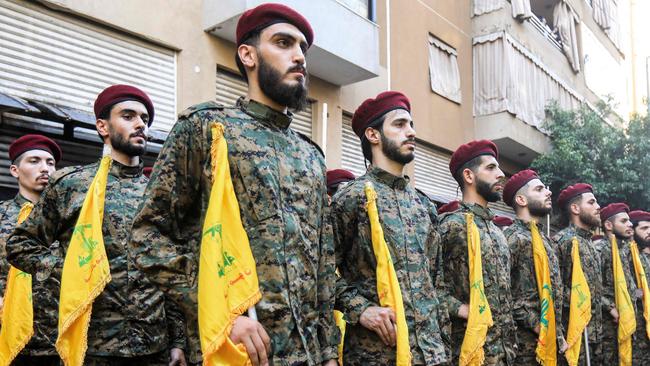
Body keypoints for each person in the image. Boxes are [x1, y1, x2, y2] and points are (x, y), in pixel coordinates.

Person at [129, 4, 339, 365]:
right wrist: (221, 310)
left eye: (303, 48)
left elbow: (322, 264)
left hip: (307, 356)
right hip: (233, 349)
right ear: (248, 54)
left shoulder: (311, 156)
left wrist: (329, 352)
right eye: (284, 43)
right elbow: (147, 236)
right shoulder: (208, 129)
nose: (299, 57)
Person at [7, 85, 186, 365]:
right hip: (93, 345)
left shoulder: (159, 192)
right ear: (102, 126)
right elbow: (20, 245)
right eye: (128, 116)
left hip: (155, 346)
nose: (140, 124)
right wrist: (68, 269)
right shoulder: (72, 184)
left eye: (144, 119)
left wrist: (177, 342)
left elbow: (169, 268)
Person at [331, 91, 449, 365]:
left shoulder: (424, 205)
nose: (411, 132)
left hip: (430, 354)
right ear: (373, 135)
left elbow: (437, 284)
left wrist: (444, 348)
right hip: (376, 354)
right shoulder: (352, 198)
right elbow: (321, 272)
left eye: (411, 125)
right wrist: (361, 309)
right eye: (399, 124)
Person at [438, 140, 517, 365]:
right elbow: (427, 287)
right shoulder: (451, 225)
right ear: (469, 176)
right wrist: (460, 308)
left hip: (504, 353)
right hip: (468, 351)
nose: (501, 174)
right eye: (491, 168)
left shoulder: (498, 232)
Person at [0, 134, 61, 365]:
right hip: (9, 336)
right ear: (15, 170)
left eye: (50, 163)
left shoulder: (67, 220)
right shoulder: (2, 215)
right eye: (34, 161)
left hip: (59, 339)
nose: (45, 168)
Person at [501, 169, 567, 364]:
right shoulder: (512, 239)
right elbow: (503, 295)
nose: (548, 192)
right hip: (525, 348)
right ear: (521, 200)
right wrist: (538, 325)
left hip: (550, 340)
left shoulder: (545, 240)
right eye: (539, 189)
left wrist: (557, 334)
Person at [553, 183, 603, 365]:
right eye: (592, 202)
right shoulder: (564, 242)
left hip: (593, 334)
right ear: (575, 208)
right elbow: (554, 289)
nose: (598, 207)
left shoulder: (589, 243)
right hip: (573, 334)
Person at [595, 203, 640, 366]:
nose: (630, 224)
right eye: (624, 221)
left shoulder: (625, 250)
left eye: (629, 221)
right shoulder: (600, 249)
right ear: (608, 225)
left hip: (626, 319)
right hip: (608, 325)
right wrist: (611, 308)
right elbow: (591, 288)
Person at [629, 209, 650, 364]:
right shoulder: (629, 256)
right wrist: (641, 294)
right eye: (644, 228)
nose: (649, 232)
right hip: (639, 322)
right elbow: (629, 289)